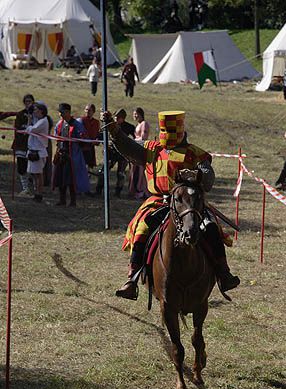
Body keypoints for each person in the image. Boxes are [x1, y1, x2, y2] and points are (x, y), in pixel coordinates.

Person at [101, 109, 240, 300]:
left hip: (188, 203)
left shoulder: (194, 153)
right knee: (142, 229)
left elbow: (207, 178)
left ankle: (224, 273)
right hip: (158, 202)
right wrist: (114, 129)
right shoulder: (152, 149)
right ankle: (132, 279)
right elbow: (128, 146)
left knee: (211, 228)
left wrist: (199, 176)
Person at [52, 103, 90, 207]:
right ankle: (62, 200)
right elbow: (57, 138)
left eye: (62, 112)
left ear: (68, 112)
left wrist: (81, 138)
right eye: (60, 112)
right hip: (61, 154)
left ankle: (73, 201)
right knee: (61, 178)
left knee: (71, 180)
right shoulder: (59, 124)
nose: (61, 114)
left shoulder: (76, 124)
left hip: (72, 156)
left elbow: (83, 139)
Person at [96, 108, 135, 197]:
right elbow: (101, 135)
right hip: (111, 153)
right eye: (116, 117)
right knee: (103, 172)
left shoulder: (129, 127)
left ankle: (118, 192)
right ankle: (99, 190)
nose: (117, 119)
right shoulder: (110, 125)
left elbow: (136, 138)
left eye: (119, 117)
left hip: (122, 154)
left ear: (123, 118)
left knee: (121, 174)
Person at [11, 94, 35, 197]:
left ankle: (33, 188)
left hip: (32, 145)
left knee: (32, 167)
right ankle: (25, 188)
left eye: (30, 101)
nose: (28, 103)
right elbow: (18, 128)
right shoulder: (20, 114)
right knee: (21, 167)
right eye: (26, 101)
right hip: (21, 144)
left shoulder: (37, 114)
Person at [26, 102, 49, 202]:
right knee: (34, 174)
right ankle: (36, 192)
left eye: (36, 110)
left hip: (39, 151)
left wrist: (29, 125)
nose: (34, 112)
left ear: (41, 111)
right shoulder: (38, 120)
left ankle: (39, 194)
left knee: (39, 174)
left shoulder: (43, 121)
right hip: (33, 150)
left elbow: (32, 129)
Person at [128, 107, 150, 200]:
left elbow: (143, 137)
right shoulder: (138, 124)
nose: (135, 116)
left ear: (141, 114)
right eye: (134, 114)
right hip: (136, 149)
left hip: (141, 149)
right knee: (134, 170)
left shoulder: (144, 124)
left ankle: (141, 190)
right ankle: (134, 190)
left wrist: (133, 141)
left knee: (140, 171)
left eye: (136, 114)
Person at [78, 103, 100, 170]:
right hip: (82, 147)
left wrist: (97, 140)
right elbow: (80, 133)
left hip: (91, 148)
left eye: (89, 110)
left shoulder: (96, 122)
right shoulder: (80, 121)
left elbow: (97, 133)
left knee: (89, 168)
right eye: (86, 109)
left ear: (93, 111)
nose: (87, 111)